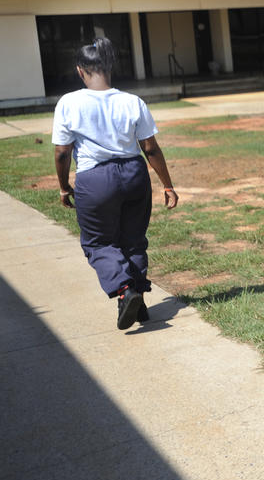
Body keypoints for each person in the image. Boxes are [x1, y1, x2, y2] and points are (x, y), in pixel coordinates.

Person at [52, 37, 179, 330]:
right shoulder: (132, 101)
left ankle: (125, 290)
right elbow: (150, 148)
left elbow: (62, 152)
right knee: (133, 240)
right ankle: (137, 301)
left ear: (80, 71)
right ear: (110, 67)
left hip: (95, 180)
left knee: (98, 243)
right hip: (135, 175)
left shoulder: (69, 102)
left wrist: (63, 186)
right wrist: (168, 185)